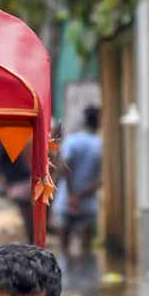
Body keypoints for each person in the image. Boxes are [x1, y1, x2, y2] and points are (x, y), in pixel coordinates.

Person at [52, 105, 102, 259]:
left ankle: (65, 273)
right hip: (87, 204)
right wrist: (79, 196)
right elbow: (101, 179)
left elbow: (64, 168)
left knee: (64, 249)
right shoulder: (99, 144)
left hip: (66, 202)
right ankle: (84, 274)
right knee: (86, 250)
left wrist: (71, 195)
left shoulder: (72, 141)